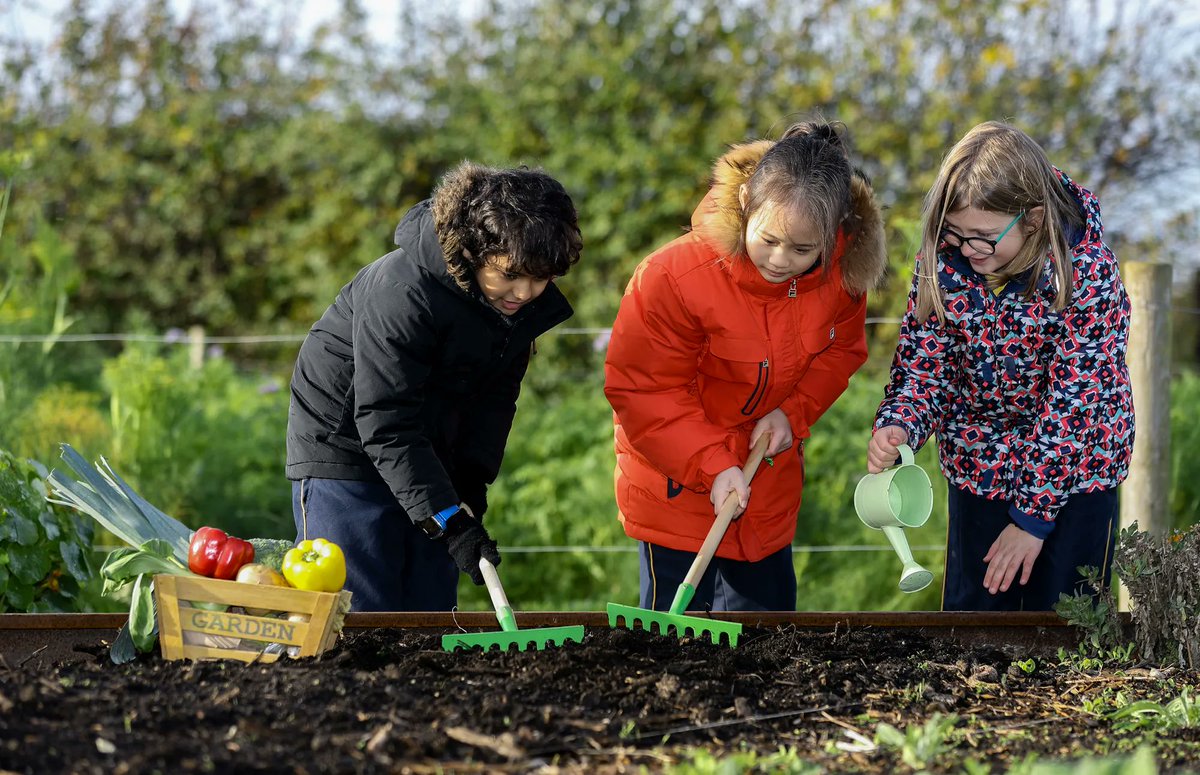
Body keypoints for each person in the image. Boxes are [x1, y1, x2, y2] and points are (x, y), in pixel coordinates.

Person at [604, 121, 887, 612]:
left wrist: (792, 412)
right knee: (676, 649)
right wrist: (713, 466)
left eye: (803, 250)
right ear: (744, 206)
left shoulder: (841, 275)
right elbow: (645, 391)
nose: (780, 261)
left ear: (835, 234)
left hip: (767, 486)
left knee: (768, 647)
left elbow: (839, 354)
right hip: (677, 486)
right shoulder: (671, 277)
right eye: (769, 239)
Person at [286, 162, 583, 611]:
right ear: (473, 250)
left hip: (426, 450)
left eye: (540, 279)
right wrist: (446, 515)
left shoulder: (513, 311)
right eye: (510, 275)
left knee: (427, 611)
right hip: (346, 449)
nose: (524, 293)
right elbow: (386, 419)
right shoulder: (401, 291)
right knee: (358, 613)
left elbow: (493, 407)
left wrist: (465, 498)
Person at [868, 121, 1134, 611]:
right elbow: (928, 365)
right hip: (980, 463)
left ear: (1031, 219)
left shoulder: (1086, 272)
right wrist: (902, 421)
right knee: (975, 619)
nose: (968, 249)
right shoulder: (944, 263)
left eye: (984, 237)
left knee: (1066, 624)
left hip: (1075, 472)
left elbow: (1074, 404)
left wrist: (1032, 521)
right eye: (954, 232)